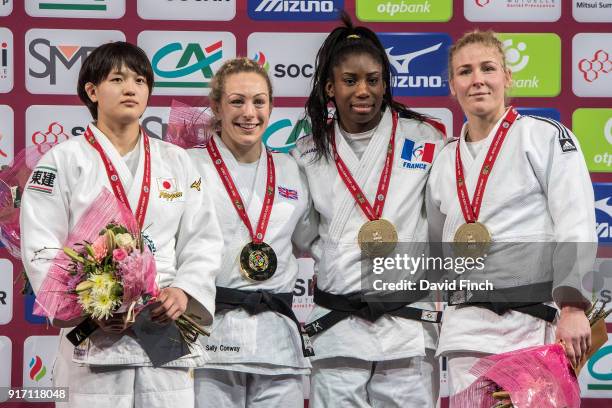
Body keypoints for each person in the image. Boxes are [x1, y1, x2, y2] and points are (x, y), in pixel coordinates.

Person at [20, 41, 223, 408]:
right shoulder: (62, 161)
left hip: (163, 325)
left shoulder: (177, 162)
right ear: (92, 90)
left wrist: (184, 291)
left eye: (140, 80)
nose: (131, 88)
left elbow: (203, 240)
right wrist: (88, 304)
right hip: (94, 331)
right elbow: (40, 245)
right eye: (118, 78)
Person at [426, 30, 596, 400]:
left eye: (488, 68)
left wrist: (572, 305)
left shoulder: (545, 137)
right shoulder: (442, 161)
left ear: (507, 76)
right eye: (465, 71)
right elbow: (438, 250)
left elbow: (576, 221)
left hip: (531, 326)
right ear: (452, 86)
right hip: (465, 331)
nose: (477, 80)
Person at [292, 14, 446, 407]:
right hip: (338, 324)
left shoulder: (424, 139)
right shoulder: (308, 152)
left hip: (407, 323)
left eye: (373, 80)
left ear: (385, 83)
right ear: (330, 87)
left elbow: (442, 219)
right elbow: (303, 232)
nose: (363, 90)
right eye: (350, 80)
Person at [189, 58, 318, 408]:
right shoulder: (187, 164)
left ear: (271, 106)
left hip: (277, 339)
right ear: (216, 107)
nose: (250, 113)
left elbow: (308, 239)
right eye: (237, 101)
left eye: (259, 102)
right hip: (210, 338)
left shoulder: (291, 169)